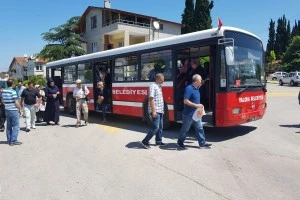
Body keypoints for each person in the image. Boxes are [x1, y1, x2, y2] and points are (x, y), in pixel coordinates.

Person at [177, 74, 212, 149]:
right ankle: (180, 142)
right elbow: (185, 101)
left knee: (200, 128)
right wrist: (196, 105)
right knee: (185, 129)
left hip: (196, 113)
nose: (201, 81)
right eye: (200, 80)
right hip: (188, 114)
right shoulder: (189, 88)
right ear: (196, 81)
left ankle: (202, 143)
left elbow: (203, 83)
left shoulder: (197, 87)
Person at [140, 73, 165, 149]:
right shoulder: (153, 86)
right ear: (158, 79)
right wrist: (154, 111)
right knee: (155, 127)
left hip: (160, 110)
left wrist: (162, 110)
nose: (163, 81)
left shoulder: (159, 86)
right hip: (156, 110)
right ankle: (145, 141)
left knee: (160, 127)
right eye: (162, 79)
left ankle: (158, 141)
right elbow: (151, 99)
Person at [1, 79, 22, 146]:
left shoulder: (3, 91)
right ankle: (13, 140)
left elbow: (2, 100)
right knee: (16, 125)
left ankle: (9, 140)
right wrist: (20, 108)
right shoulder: (13, 91)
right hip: (13, 110)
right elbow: (16, 102)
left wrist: (6, 104)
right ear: (12, 84)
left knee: (9, 125)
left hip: (7, 109)